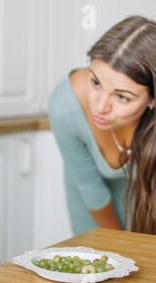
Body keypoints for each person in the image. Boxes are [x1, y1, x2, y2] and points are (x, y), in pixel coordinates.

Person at [48, 16, 156, 235]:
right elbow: (90, 188)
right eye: (96, 82)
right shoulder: (66, 106)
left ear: (152, 99)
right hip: (96, 214)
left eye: (122, 97)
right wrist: (120, 247)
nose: (100, 106)